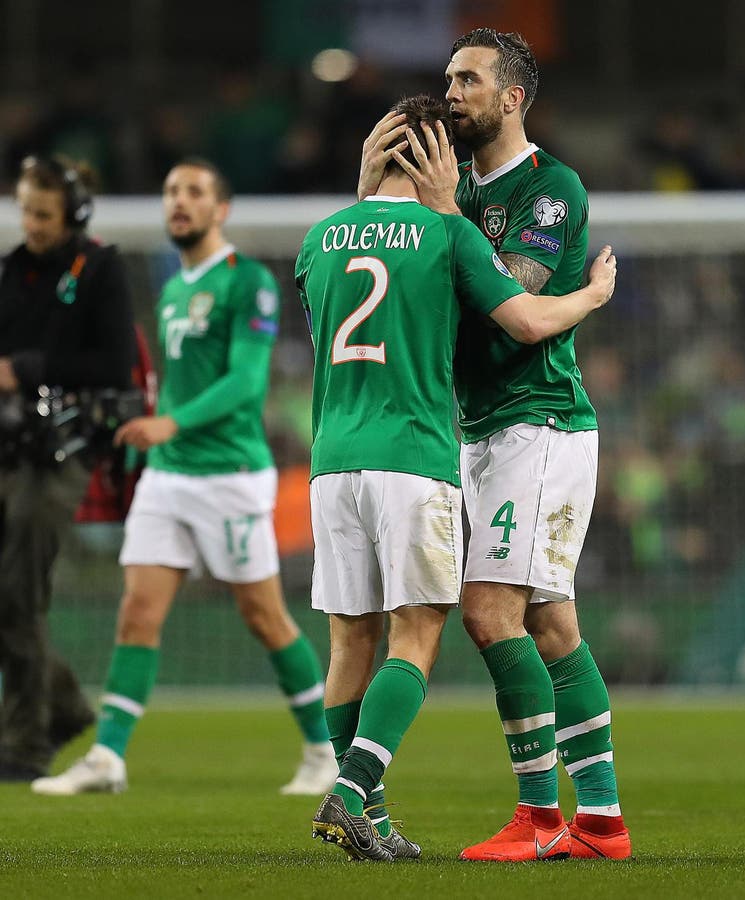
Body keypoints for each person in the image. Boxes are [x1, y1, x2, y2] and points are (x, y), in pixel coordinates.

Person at [301, 94, 616, 862]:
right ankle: (354, 789)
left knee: (354, 642)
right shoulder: (449, 231)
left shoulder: (319, 237)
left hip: (330, 459)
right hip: (417, 454)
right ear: (437, 154)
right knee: (424, 634)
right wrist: (596, 295)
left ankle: (384, 812)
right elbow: (528, 320)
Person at [31, 158, 337, 797]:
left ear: (220, 209)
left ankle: (322, 750)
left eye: (194, 192)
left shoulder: (247, 281)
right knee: (137, 613)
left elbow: (247, 382)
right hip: (167, 479)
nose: (179, 202)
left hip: (228, 474)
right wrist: (154, 439)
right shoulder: (172, 291)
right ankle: (108, 759)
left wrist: (171, 424)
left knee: (264, 617)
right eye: (171, 191)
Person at [0, 156, 135, 782]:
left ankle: (23, 743)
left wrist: (26, 368)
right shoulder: (9, 273)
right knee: (10, 596)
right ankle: (65, 704)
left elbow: (112, 366)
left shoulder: (102, 270)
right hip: (9, 445)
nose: (32, 223)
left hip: (66, 449)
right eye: (26, 210)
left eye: (44, 214)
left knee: (20, 590)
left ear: (74, 214)